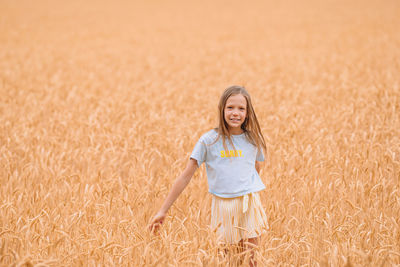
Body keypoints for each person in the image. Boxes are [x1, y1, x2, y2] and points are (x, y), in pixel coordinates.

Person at [149, 85, 268, 266]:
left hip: (249, 203)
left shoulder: (253, 139)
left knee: (251, 260)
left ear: (248, 113)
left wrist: (247, 186)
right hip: (222, 206)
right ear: (222, 109)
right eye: (230, 107)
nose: (235, 113)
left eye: (241, 108)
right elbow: (185, 176)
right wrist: (163, 210)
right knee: (225, 260)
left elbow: (256, 165)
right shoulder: (209, 140)